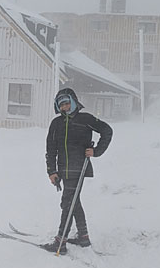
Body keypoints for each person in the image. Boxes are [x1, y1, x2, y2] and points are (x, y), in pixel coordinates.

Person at [43, 88, 113, 254]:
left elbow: (107, 131)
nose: (65, 107)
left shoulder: (85, 119)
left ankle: (60, 242)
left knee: (68, 203)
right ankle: (83, 237)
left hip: (79, 168)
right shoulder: (56, 124)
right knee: (73, 202)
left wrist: (96, 151)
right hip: (63, 170)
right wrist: (52, 171)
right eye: (61, 105)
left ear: (74, 102)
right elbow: (51, 149)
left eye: (67, 103)